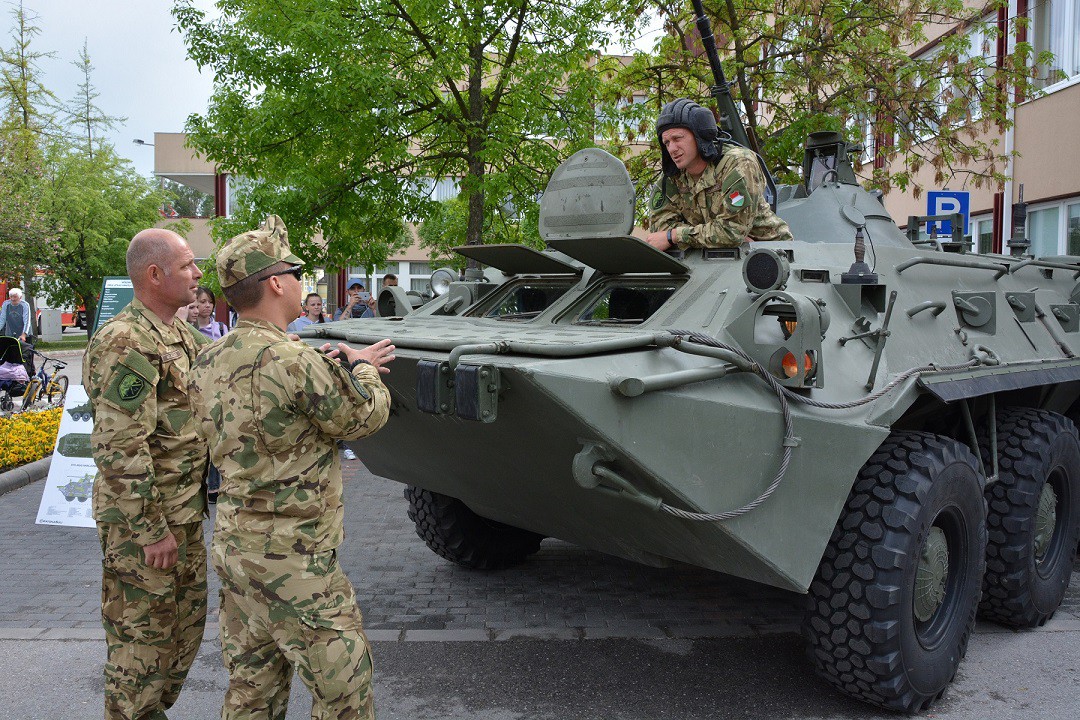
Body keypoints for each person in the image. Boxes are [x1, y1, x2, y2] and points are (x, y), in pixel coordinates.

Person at [189, 215, 394, 720]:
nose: (303, 282)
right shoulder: (296, 362)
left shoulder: (207, 360)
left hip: (237, 551)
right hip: (296, 561)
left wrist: (330, 368)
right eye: (296, 272)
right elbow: (364, 416)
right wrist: (361, 367)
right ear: (276, 283)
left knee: (251, 692)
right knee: (345, 691)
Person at [82, 228, 209, 720]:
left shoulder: (181, 335)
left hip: (183, 516)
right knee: (141, 650)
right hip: (145, 528)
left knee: (183, 635)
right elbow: (118, 446)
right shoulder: (124, 341)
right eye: (188, 266)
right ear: (155, 275)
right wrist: (151, 530)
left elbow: (233, 365)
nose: (198, 275)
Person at [646, 98, 792, 251]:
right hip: (708, 259)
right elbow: (659, 230)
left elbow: (731, 231)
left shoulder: (738, 163)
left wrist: (675, 236)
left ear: (699, 136)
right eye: (667, 143)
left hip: (769, 253)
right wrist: (718, 239)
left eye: (677, 138)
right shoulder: (672, 177)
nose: (672, 149)